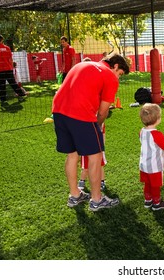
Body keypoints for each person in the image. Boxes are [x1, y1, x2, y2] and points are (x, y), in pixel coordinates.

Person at [52, 53, 131, 211]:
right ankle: (97, 200)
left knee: (72, 154)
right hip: (80, 114)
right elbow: (103, 112)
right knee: (95, 155)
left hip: (58, 111)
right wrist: (97, 127)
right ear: (115, 66)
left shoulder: (81, 65)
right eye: (120, 74)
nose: (119, 78)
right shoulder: (110, 76)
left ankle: (75, 195)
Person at [139, 103, 164, 211]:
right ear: (157, 119)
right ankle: (157, 203)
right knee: (155, 185)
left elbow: (152, 143)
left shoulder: (142, 131)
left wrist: (162, 139)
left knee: (147, 183)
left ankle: (148, 200)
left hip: (144, 164)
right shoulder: (157, 134)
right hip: (154, 165)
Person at [78, 122, 107, 192]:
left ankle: (102, 182)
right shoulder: (83, 122)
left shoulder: (101, 122)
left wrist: (102, 146)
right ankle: (82, 182)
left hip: (98, 148)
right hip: (86, 149)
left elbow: (103, 134)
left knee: (100, 165)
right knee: (85, 167)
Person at [0, 34, 28, 103]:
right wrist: (12, 67)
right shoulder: (7, 48)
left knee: (1, 85)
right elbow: (10, 59)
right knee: (13, 83)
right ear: (2, 40)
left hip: (0, 70)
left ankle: (3, 100)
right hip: (9, 69)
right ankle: (21, 94)